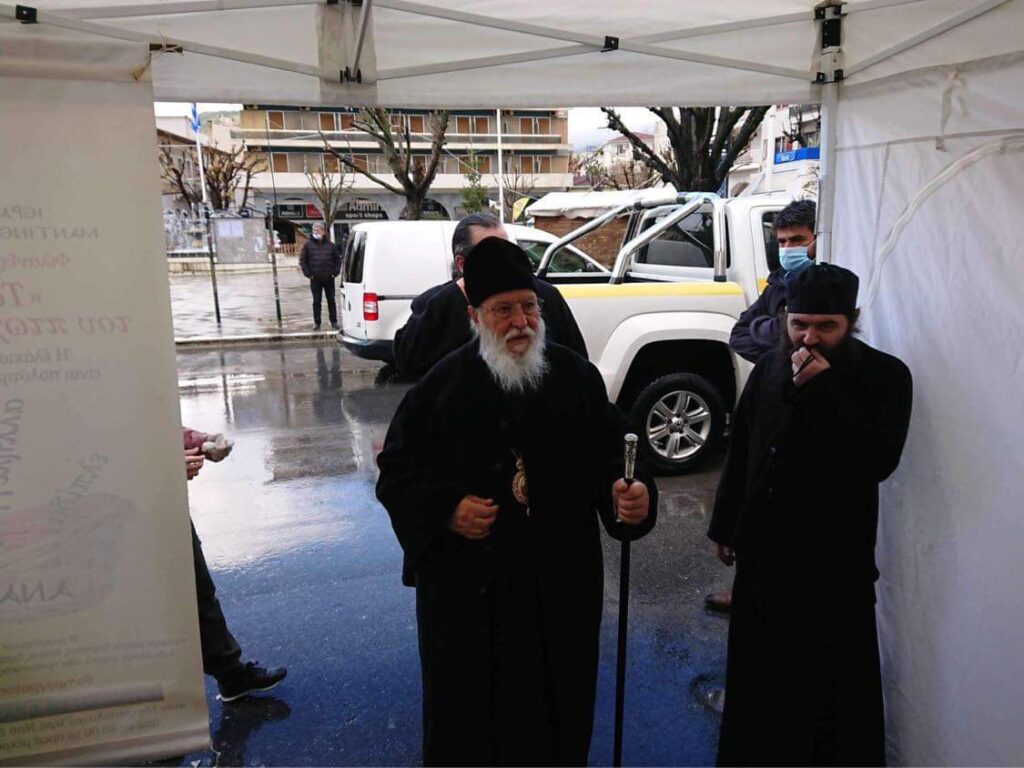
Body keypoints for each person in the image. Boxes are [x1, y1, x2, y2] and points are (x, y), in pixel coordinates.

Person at [376, 237, 657, 766]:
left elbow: (617, 453)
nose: (520, 321)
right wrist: (446, 508)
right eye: (502, 309)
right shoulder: (440, 388)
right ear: (475, 316)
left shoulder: (575, 377)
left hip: (559, 586)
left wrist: (633, 493)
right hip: (470, 596)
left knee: (557, 717)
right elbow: (397, 472)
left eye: (529, 306)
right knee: (471, 727)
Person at [707, 264, 912, 766]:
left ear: (851, 322)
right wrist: (726, 524)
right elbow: (744, 450)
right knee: (759, 681)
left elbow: (878, 461)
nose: (810, 338)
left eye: (826, 327)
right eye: (799, 325)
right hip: (765, 555)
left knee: (830, 693)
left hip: (834, 563)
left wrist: (826, 391)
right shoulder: (769, 368)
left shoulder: (886, 376)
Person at [708, 199, 819, 613]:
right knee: (755, 490)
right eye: (783, 241)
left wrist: (774, 331)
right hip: (772, 401)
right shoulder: (778, 283)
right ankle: (746, 588)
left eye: (798, 240)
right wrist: (781, 338)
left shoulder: (830, 282)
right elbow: (740, 334)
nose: (789, 249)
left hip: (813, 414)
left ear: (817, 240)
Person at [392, 212, 587, 381]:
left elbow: (578, 363)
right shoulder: (437, 304)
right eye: (490, 252)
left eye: (528, 306)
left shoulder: (546, 295)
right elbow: (408, 363)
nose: (520, 321)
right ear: (462, 264)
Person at [183, 427, 288, 703]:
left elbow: (151, 429)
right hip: (104, 517)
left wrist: (203, 442)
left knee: (197, 589)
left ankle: (231, 675)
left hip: (161, 505)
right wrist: (160, 468)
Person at [299, 222, 341, 330]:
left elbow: (337, 260)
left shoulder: (330, 245)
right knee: (316, 301)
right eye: (314, 230)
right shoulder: (307, 245)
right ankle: (317, 322)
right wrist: (308, 274)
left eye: (318, 230)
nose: (316, 232)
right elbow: (303, 260)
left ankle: (334, 321)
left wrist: (335, 272)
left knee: (331, 300)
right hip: (315, 278)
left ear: (323, 232)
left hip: (329, 278)